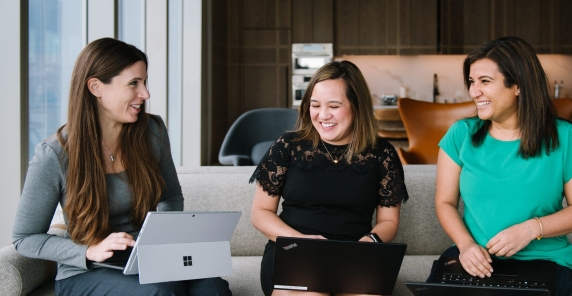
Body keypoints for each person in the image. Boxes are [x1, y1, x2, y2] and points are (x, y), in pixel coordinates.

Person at [12, 38, 232, 296]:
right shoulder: (54, 155)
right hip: (87, 271)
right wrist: (87, 251)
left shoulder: (152, 131)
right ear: (96, 87)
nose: (145, 94)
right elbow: (24, 237)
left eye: (144, 82)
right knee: (159, 292)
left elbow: (170, 195)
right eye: (133, 84)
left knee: (213, 288)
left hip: (146, 259)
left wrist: (161, 237)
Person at [249, 60, 409, 296]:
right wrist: (303, 241)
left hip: (353, 256)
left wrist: (369, 241)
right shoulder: (288, 146)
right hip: (294, 250)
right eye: (315, 105)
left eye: (334, 106)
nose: (323, 115)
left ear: (356, 106)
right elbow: (260, 213)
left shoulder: (382, 154)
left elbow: (389, 222)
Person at [434, 36, 572, 295]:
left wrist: (530, 230)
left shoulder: (564, 137)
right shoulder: (460, 134)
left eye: (485, 82)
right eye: (472, 82)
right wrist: (465, 245)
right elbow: (445, 203)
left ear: (518, 85)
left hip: (547, 261)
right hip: (477, 258)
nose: (474, 92)